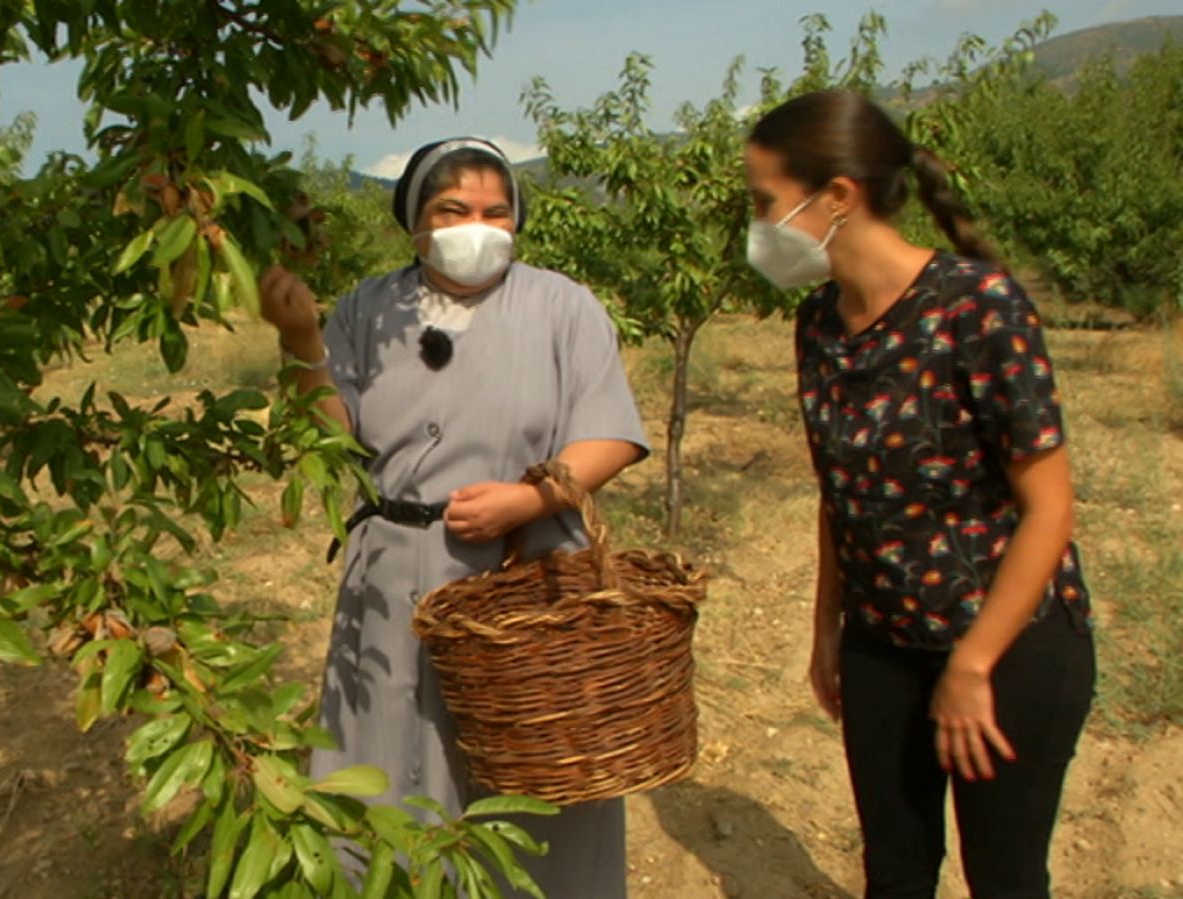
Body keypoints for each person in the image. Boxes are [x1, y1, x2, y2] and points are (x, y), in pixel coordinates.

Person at [258, 137, 649, 897]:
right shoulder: (372, 308)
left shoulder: (560, 304)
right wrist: (302, 340)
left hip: (523, 574)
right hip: (393, 571)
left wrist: (533, 498)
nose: (479, 226)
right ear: (415, 222)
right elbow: (332, 435)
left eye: (497, 211)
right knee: (385, 745)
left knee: (529, 756)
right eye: (454, 209)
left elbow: (611, 434)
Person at [743, 89, 1096, 899]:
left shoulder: (979, 306)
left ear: (837, 196)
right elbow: (841, 490)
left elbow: (1050, 507)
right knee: (895, 873)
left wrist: (972, 664)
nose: (757, 225)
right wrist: (828, 623)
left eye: (765, 202)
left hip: (1010, 645)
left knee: (1004, 878)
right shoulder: (820, 323)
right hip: (883, 643)